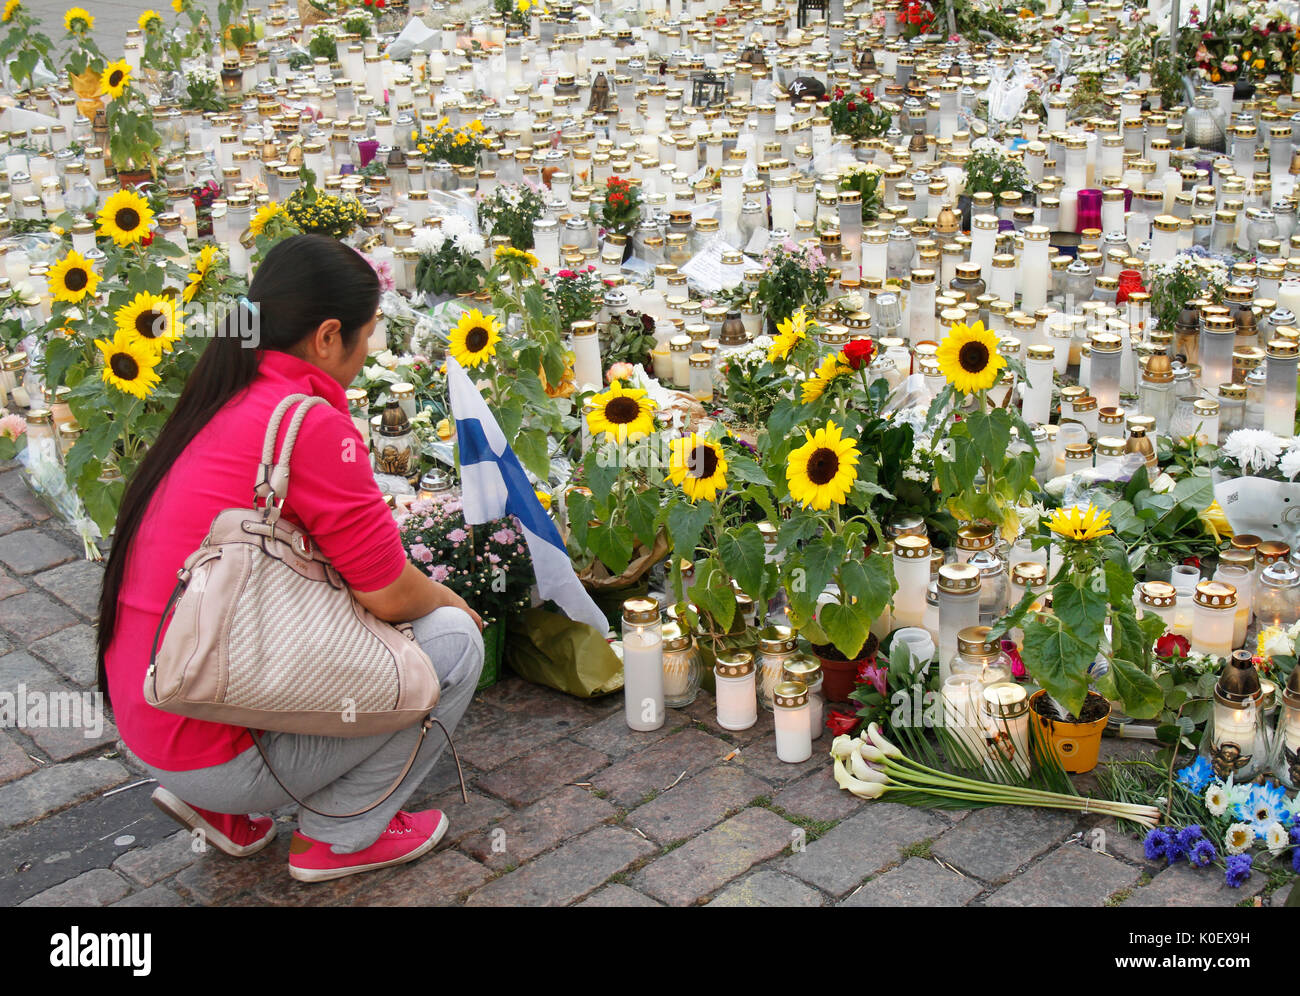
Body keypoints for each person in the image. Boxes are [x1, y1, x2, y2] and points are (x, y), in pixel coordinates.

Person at [97, 234, 484, 884]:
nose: (368, 354)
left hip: (154, 715)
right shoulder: (307, 424)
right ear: (328, 336)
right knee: (452, 644)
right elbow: (387, 593)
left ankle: (220, 814)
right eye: (367, 337)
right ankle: (340, 836)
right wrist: (455, 602)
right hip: (215, 752)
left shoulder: (220, 390)